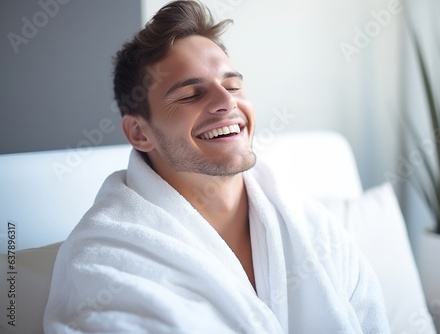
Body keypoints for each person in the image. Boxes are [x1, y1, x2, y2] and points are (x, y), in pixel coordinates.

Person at [44, 1, 390, 333]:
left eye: (233, 85)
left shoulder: (316, 231)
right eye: (191, 94)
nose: (227, 102)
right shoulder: (103, 260)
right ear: (140, 132)